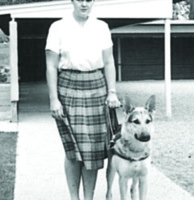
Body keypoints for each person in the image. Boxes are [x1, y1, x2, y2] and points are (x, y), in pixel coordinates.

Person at [45, 0, 121, 200]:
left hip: (96, 85)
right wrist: (54, 99)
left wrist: (111, 91)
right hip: (68, 86)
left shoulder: (101, 27)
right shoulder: (58, 27)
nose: (84, 4)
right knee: (72, 148)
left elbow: (108, 61)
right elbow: (51, 66)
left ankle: (88, 198)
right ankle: (74, 197)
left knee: (92, 148)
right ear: (72, 1)